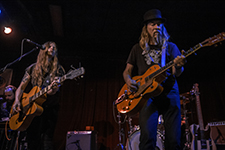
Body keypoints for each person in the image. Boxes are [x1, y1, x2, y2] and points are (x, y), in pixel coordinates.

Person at [123, 9, 186, 149]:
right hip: (147, 96)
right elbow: (127, 71)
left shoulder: (170, 47)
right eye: (153, 24)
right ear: (146, 27)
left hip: (169, 93)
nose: (157, 27)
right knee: (147, 138)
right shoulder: (136, 49)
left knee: (174, 139)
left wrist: (180, 66)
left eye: (159, 24)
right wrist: (129, 81)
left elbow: (177, 72)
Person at [11, 41, 65, 150]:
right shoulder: (32, 68)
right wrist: (17, 100)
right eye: (49, 47)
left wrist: (53, 87)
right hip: (30, 108)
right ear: (42, 49)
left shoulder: (59, 70)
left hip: (49, 109)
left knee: (46, 141)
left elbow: (52, 92)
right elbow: (21, 87)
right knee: (31, 140)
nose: (52, 49)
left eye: (54, 48)